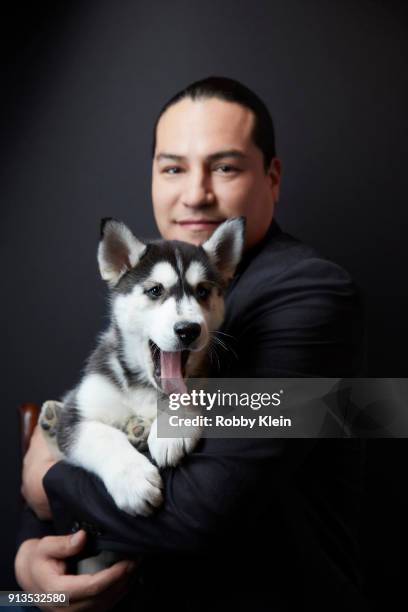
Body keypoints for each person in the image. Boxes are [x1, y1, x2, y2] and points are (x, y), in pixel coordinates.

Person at [15, 76, 366, 611]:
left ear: (272, 177)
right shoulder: (154, 274)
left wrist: (51, 476)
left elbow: (199, 512)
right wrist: (28, 571)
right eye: (173, 167)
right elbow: (101, 424)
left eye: (225, 167)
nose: (196, 193)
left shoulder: (309, 292)